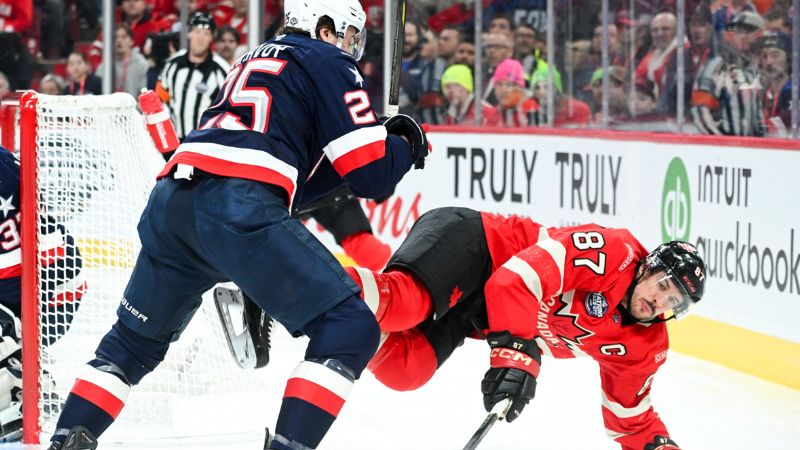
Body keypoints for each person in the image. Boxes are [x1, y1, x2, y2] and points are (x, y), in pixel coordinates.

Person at [45, 0, 430, 448]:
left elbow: (300, 182)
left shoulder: (254, 56)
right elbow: (372, 177)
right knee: (350, 328)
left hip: (173, 201)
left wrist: (374, 140)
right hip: (237, 205)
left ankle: (64, 441)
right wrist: (403, 142)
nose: (351, 49)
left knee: (129, 348)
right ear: (325, 28)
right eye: (347, 36)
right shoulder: (328, 59)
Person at [345, 207, 706, 450]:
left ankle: (330, 313)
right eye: (663, 286)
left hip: (477, 311)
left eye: (673, 302)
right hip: (478, 246)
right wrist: (517, 354)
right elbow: (514, 281)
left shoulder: (644, 346)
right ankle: (303, 279)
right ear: (647, 267)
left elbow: (630, 419)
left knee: (405, 368)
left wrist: (660, 447)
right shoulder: (613, 253)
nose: (661, 302)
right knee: (403, 304)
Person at [0, 145, 85, 442]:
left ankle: (28, 388)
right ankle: (22, 372)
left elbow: (53, 263)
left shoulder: (2, 167)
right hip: (37, 283)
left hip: (49, 290)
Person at [155, 11, 229, 144]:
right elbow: (160, 98)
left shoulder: (222, 69)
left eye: (206, 34)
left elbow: (228, 109)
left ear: (211, 38)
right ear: (189, 34)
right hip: (174, 142)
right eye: (196, 32)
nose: (200, 38)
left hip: (205, 144)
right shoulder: (172, 64)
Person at [97, 25, 149, 97]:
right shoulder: (105, 65)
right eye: (115, 37)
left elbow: (145, 92)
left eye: (124, 37)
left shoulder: (141, 64)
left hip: (134, 107)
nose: (119, 40)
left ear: (132, 42)